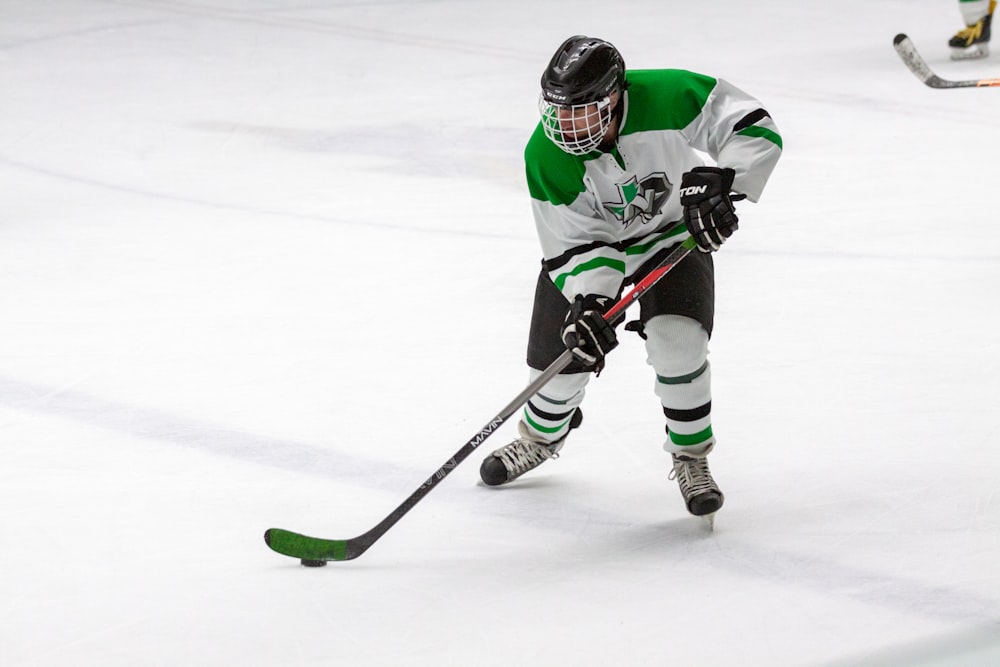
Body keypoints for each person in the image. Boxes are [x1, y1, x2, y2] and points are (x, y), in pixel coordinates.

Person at [478, 35, 782, 525]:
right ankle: (540, 438)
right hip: (594, 254)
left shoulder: (670, 94)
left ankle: (691, 457)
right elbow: (575, 244)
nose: (565, 126)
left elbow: (751, 123)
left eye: (581, 110)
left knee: (678, 342)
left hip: (673, 238)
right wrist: (590, 302)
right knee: (561, 363)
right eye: (558, 111)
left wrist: (726, 179)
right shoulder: (546, 154)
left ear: (616, 96)